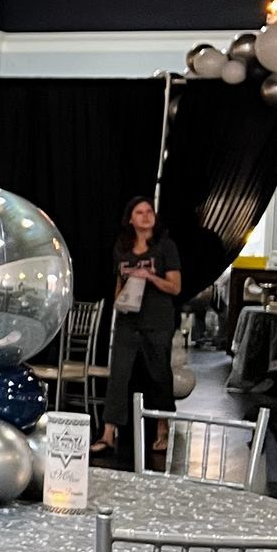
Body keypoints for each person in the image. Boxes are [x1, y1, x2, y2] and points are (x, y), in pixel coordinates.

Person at [96, 195, 183, 457]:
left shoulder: (165, 247)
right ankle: (108, 434)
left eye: (149, 211)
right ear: (130, 219)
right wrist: (119, 299)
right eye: (139, 212)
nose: (146, 216)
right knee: (118, 376)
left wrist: (149, 276)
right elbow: (118, 284)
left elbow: (175, 287)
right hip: (127, 321)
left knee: (158, 376)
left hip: (157, 322)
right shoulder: (122, 249)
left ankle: (162, 428)